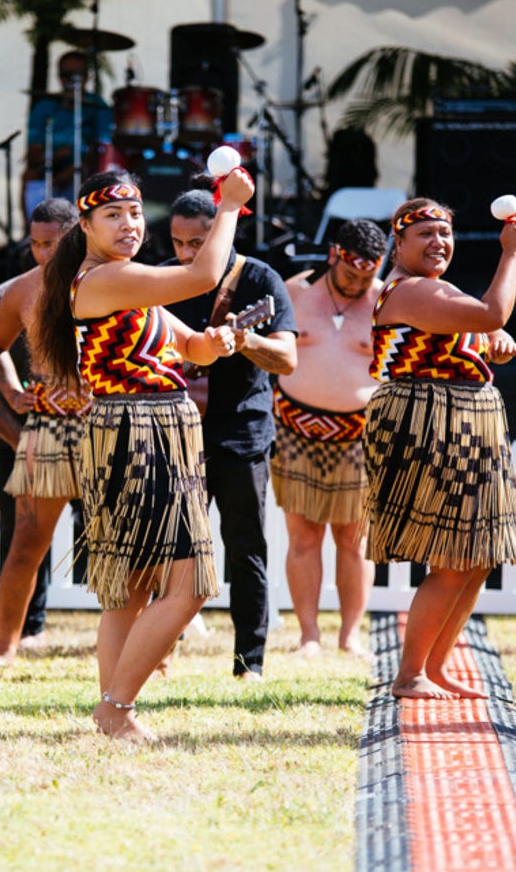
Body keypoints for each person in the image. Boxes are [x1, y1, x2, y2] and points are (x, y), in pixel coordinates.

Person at [30, 168, 252, 740]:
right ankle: (116, 707)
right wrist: (228, 207)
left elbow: (191, 344)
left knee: (132, 583)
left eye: (134, 214)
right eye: (113, 216)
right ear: (85, 225)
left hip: (144, 428)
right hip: (139, 432)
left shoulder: (130, 285)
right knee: (192, 584)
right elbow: (204, 274)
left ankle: (114, 712)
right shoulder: (104, 280)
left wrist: (217, 342)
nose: (129, 224)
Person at [365, 198, 516, 700]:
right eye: (424, 234)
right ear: (398, 244)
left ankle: (434, 667)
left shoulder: (433, 290)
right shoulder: (411, 288)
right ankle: (410, 674)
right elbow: (491, 312)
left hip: (460, 421)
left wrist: (491, 341)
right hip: (431, 423)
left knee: (475, 556)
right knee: (452, 559)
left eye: (445, 233)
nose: (438, 243)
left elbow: (476, 330)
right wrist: (510, 255)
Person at [162, 189, 297, 679]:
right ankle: (158, 653)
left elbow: (287, 359)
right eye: (177, 242)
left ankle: (249, 664)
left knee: (245, 547)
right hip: (175, 430)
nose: (185, 253)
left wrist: (246, 339)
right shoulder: (164, 277)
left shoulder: (259, 278)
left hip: (240, 430)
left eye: (196, 242)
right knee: (168, 545)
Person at [0, 198, 83, 665]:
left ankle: (146, 652)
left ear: (78, 236)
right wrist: (13, 390)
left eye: (52, 244)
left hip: (108, 422)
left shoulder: (115, 280)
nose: (43, 253)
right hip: (48, 426)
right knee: (25, 543)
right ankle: (6, 648)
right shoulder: (23, 289)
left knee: (124, 542)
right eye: (36, 244)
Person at [273, 219, 385, 658]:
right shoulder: (295, 292)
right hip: (295, 429)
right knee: (302, 537)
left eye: (367, 275)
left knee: (354, 539)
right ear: (334, 255)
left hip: (359, 434)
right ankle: (309, 636)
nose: (359, 283)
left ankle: (350, 635)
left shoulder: (383, 300)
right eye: (351, 274)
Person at [22, 51, 114, 216]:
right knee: (29, 176)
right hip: (51, 168)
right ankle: (32, 233)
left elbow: (102, 151)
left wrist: (72, 170)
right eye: (66, 75)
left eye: (78, 74)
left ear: (88, 76)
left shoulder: (98, 107)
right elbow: (33, 154)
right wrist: (54, 159)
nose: (72, 80)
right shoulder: (45, 107)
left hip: (86, 169)